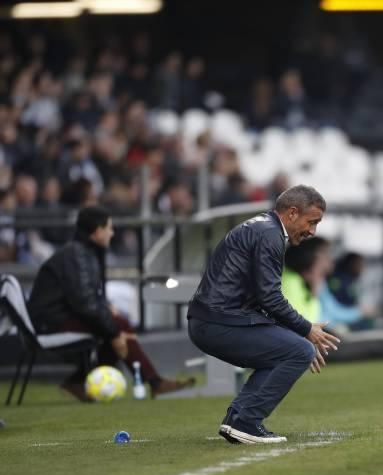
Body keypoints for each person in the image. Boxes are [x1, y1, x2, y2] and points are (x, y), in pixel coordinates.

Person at [187, 185, 340, 445]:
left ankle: (237, 420)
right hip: (219, 321)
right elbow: (269, 298)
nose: (312, 231)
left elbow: (260, 298)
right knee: (298, 351)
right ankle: (246, 421)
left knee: (294, 349)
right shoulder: (269, 235)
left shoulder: (262, 228)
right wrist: (305, 331)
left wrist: (297, 336)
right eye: (311, 222)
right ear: (292, 213)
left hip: (213, 319)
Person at [27, 206, 196, 401]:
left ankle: (78, 380)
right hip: (51, 322)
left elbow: (86, 297)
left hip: (57, 316)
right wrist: (114, 332)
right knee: (117, 328)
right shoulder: (78, 256)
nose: (112, 233)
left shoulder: (81, 252)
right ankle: (154, 382)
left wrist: (107, 310)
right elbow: (85, 304)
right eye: (109, 228)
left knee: (116, 325)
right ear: (97, 231)